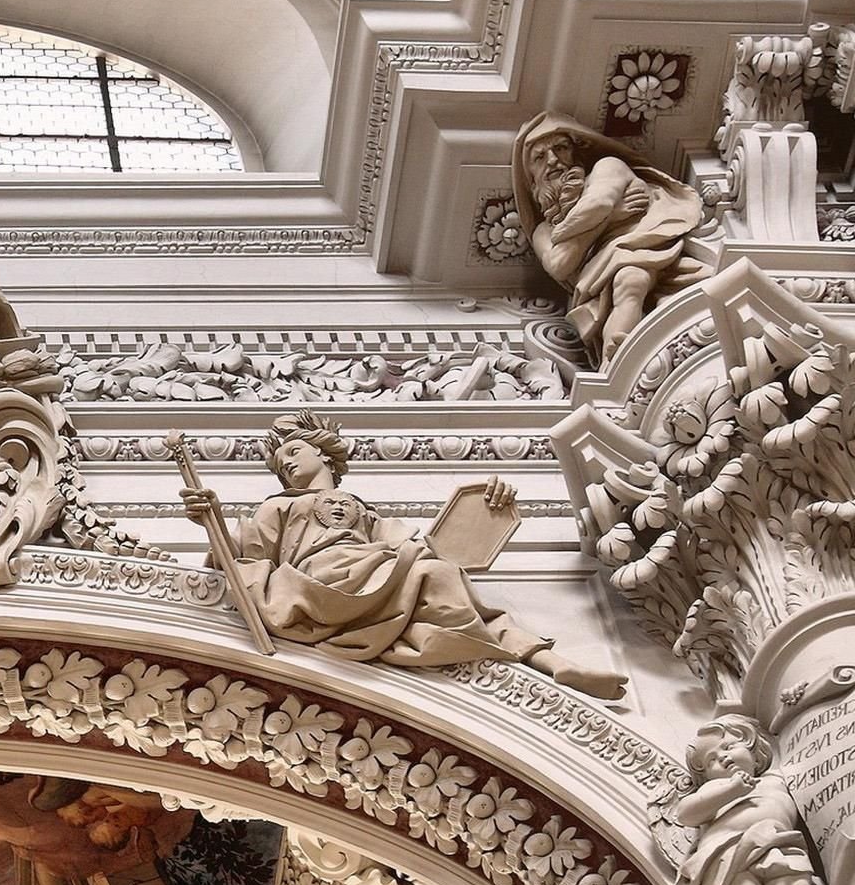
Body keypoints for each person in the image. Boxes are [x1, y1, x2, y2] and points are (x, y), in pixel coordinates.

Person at [181, 410, 627, 700]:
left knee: (442, 577)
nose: (288, 464)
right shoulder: (276, 506)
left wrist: (488, 504)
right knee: (431, 573)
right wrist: (212, 521)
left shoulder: (368, 513)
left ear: (322, 451)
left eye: (294, 451)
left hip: (377, 573)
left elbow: (423, 548)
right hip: (314, 584)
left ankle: (553, 664)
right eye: (281, 463)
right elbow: (245, 561)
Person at [512, 113, 709, 361]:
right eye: (539, 157)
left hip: (651, 250)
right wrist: (612, 217)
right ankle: (614, 361)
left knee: (631, 278)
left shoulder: (607, 167)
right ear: (531, 177)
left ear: (576, 153)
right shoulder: (543, 231)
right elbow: (559, 265)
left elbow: (598, 205)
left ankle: (618, 354)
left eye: (560, 148)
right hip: (602, 278)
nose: (552, 160)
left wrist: (575, 229)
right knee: (630, 280)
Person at [673, 715, 818, 885]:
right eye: (711, 760)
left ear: (756, 756)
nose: (722, 757)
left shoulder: (777, 779)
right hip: (729, 849)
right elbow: (685, 814)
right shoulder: (716, 786)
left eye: (728, 747)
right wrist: (732, 790)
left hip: (779, 841)